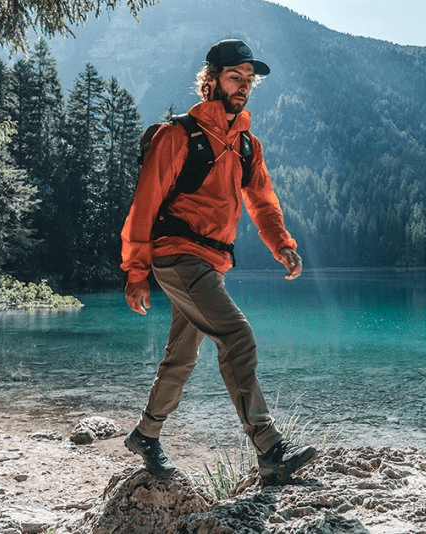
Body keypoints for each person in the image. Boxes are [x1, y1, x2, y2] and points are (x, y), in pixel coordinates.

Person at [119, 38, 316, 484]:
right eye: (235, 77)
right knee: (237, 335)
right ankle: (269, 448)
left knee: (182, 356)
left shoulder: (247, 145)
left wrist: (281, 244)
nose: (244, 86)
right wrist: (135, 271)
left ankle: (145, 435)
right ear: (210, 82)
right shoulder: (177, 136)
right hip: (176, 255)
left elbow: (262, 201)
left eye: (249, 80)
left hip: (209, 264)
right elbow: (144, 204)